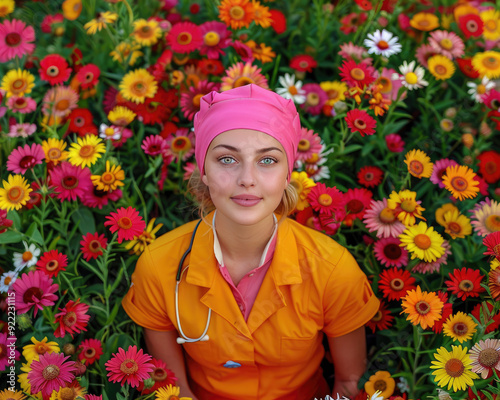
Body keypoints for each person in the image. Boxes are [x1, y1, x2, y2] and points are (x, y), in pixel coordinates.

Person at [122, 84, 380, 400]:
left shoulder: (333, 270)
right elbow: (175, 390)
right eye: (227, 159)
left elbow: (349, 385)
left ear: (288, 173)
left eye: (267, 160)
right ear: (203, 170)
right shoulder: (159, 266)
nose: (247, 178)